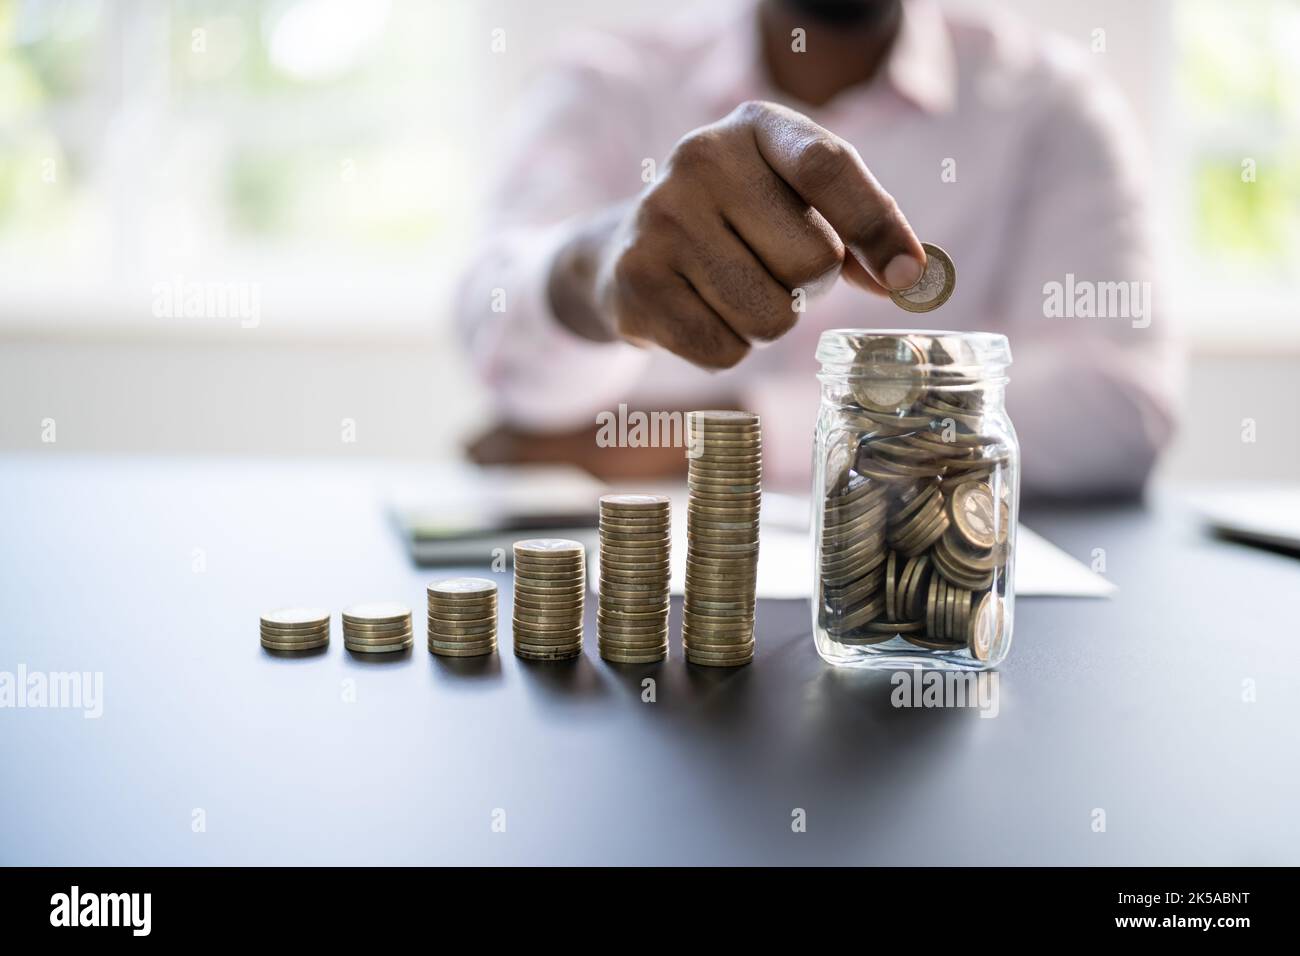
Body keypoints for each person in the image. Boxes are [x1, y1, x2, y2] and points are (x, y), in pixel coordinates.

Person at [456, 0, 1180, 497]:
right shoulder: (607, 79)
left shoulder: (1051, 104)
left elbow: (1118, 405)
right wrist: (594, 269)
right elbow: (493, 325)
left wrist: (699, 438)